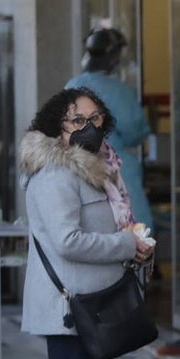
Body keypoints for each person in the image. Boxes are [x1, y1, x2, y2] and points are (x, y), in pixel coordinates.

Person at [20, 87, 154, 359]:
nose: (88, 127)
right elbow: (67, 242)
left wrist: (129, 247)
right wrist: (124, 245)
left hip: (94, 307)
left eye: (95, 118)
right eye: (77, 120)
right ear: (57, 125)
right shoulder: (55, 175)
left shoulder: (98, 170)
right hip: (69, 310)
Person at [66, 27, 153, 230]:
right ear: (113, 57)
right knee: (137, 231)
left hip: (78, 169)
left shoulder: (72, 86)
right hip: (116, 172)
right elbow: (135, 132)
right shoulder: (119, 91)